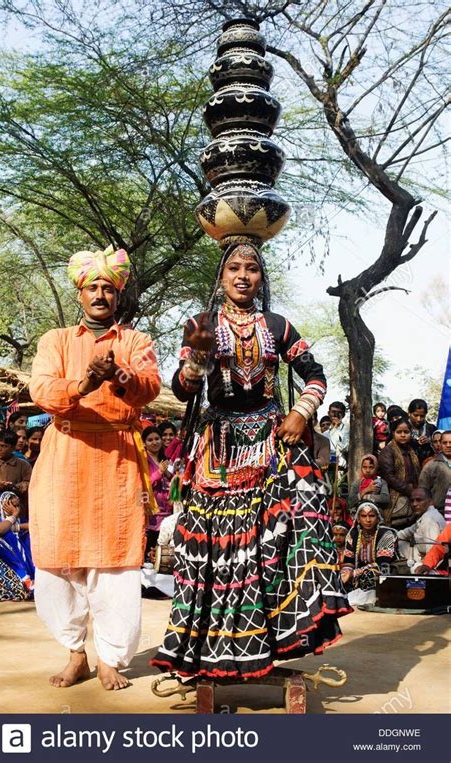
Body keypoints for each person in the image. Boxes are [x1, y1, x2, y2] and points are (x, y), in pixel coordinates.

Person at [151, 242, 351, 678]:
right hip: (219, 449)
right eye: (235, 268)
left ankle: (278, 639)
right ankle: (212, 653)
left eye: (253, 269)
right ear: (221, 276)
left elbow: (314, 374)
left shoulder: (278, 326)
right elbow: (184, 391)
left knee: (297, 521)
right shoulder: (200, 324)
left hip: (270, 441)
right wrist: (198, 359)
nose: (244, 275)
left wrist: (301, 412)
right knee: (218, 550)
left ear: (262, 277)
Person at [28, 244, 160, 691]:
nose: (101, 294)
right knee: (57, 558)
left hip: (117, 459)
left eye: (108, 287)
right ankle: (75, 654)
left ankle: (111, 660)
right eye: (93, 287)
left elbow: (149, 387)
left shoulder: (136, 341)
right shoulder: (56, 340)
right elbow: (43, 390)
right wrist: (86, 381)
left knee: (116, 561)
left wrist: (118, 376)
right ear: (80, 294)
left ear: (118, 295)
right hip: (64, 455)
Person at [0, 492, 34, 592]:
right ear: (4, 505)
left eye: (17, 505)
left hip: (21, 557)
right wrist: (13, 516)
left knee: (29, 537)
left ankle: (34, 576)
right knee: (6, 538)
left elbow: (35, 526)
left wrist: (16, 526)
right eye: (13, 505)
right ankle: (24, 579)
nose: (16, 509)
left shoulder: (18, 520)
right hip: (3, 560)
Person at [340, 502, 398, 595]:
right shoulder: (353, 534)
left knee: (369, 576)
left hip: (385, 570)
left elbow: (382, 563)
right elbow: (349, 561)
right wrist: (345, 573)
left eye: (371, 516)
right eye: (363, 516)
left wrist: (353, 573)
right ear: (358, 518)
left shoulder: (385, 534)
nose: (368, 520)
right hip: (359, 572)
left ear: (377, 518)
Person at [378, 417, 420, 528]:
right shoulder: (387, 451)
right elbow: (389, 477)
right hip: (395, 498)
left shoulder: (411, 450)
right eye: (399, 432)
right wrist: (410, 490)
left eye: (406, 432)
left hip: (412, 497)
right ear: (393, 433)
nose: (403, 435)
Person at [141, 426, 172, 558]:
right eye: (150, 440)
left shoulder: (165, 459)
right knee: (150, 550)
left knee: (162, 552)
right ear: (144, 443)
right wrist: (159, 472)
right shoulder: (143, 460)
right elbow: (144, 483)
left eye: (157, 439)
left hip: (167, 511)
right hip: (152, 512)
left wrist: (170, 475)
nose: (154, 442)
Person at [0, 430, 32, 513]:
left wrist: (14, 487)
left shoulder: (24, 465)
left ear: (13, 447)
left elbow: (30, 483)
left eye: (3, 446)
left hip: (17, 510)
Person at [396, 487, 446, 568]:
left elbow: (434, 550)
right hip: (423, 558)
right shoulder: (424, 516)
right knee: (400, 543)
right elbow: (405, 533)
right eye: (412, 501)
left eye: (419, 500)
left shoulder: (429, 519)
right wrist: (388, 535)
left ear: (430, 502)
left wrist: (425, 564)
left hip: (432, 566)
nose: (414, 504)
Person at [418, 430, 451, 514]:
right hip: (439, 512)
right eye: (445, 443)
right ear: (441, 444)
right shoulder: (430, 466)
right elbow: (423, 490)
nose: (448, 445)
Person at [408, 398, 436, 465]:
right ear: (409, 413)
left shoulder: (432, 429)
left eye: (422, 416)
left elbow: (440, 446)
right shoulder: (401, 428)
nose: (419, 419)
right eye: (415, 415)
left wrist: (430, 442)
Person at [326, 401, 349, 470]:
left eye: (339, 413)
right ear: (329, 413)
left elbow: (345, 448)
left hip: (341, 468)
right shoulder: (325, 433)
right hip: (327, 468)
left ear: (343, 415)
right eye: (333, 412)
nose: (336, 415)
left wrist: (336, 428)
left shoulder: (347, 430)